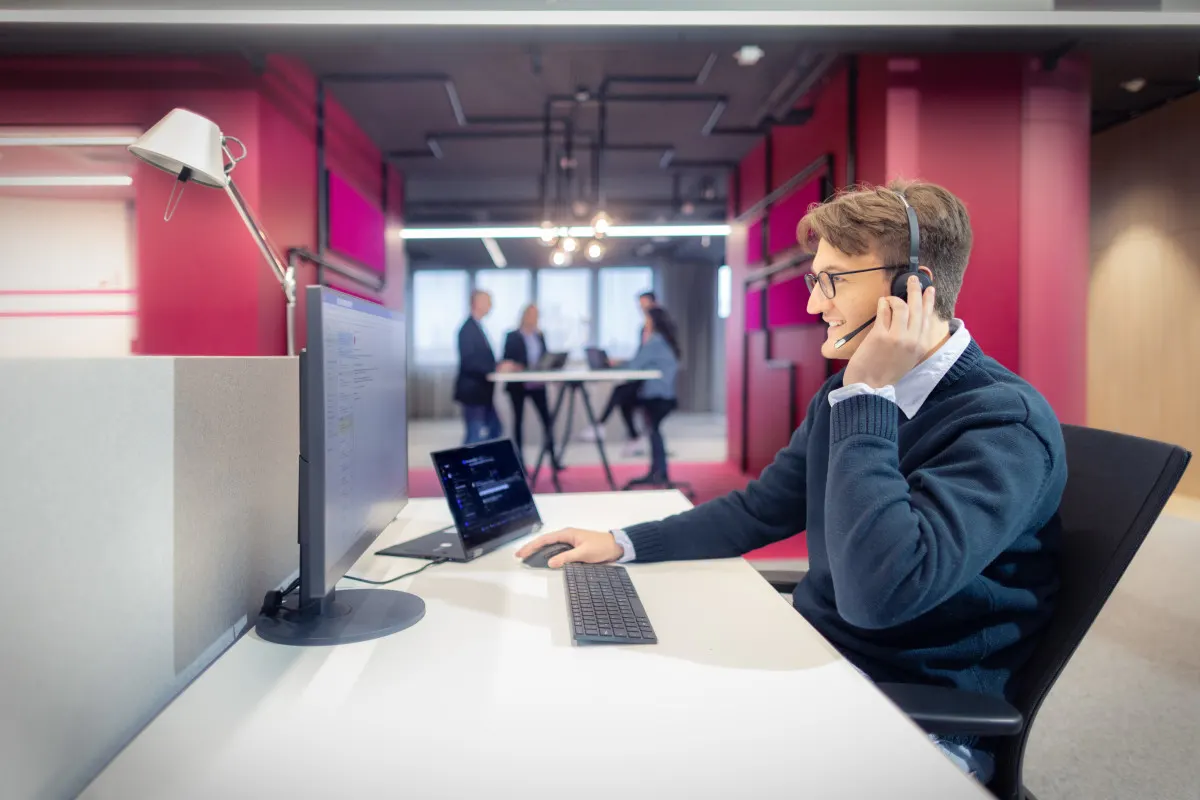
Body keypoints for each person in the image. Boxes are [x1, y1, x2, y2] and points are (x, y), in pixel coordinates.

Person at [517, 180, 1067, 785]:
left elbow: (880, 595)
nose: (815, 306)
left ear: (915, 288)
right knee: (609, 728)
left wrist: (868, 397)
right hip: (819, 660)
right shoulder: (845, 398)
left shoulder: (999, 423)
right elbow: (762, 509)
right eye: (815, 280)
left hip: (917, 715)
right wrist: (624, 541)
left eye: (835, 280)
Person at [583, 290, 659, 449]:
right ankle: (633, 437)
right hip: (641, 376)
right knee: (624, 402)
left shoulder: (660, 331)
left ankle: (600, 425)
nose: (643, 310)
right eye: (641, 307)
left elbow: (649, 358)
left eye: (645, 306)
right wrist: (620, 362)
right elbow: (640, 357)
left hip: (654, 381)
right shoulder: (643, 329)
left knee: (620, 392)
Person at [619, 306, 680, 485]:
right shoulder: (663, 341)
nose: (643, 324)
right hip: (664, 396)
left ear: (653, 323)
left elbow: (634, 366)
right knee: (654, 431)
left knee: (622, 397)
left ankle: (659, 472)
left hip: (657, 397)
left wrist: (611, 365)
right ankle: (657, 471)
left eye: (646, 321)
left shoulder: (654, 342)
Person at [502, 304, 563, 471]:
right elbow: (507, 359)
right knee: (518, 423)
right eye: (531, 314)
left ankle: (553, 458)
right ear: (524, 316)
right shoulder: (512, 336)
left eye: (537, 315)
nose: (534, 318)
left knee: (547, 421)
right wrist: (517, 366)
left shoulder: (540, 335)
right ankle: (519, 461)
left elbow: (545, 357)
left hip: (537, 384)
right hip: (518, 385)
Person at [454, 289, 505, 445]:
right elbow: (470, 362)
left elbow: (481, 358)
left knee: (494, 430)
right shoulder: (467, 329)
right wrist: (494, 368)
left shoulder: (477, 327)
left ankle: (484, 463)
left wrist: (497, 366)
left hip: (483, 392)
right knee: (474, 436)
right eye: (488, 302)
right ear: (477, 303)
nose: (491, 306)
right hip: (473, 392)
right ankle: (465, 468)